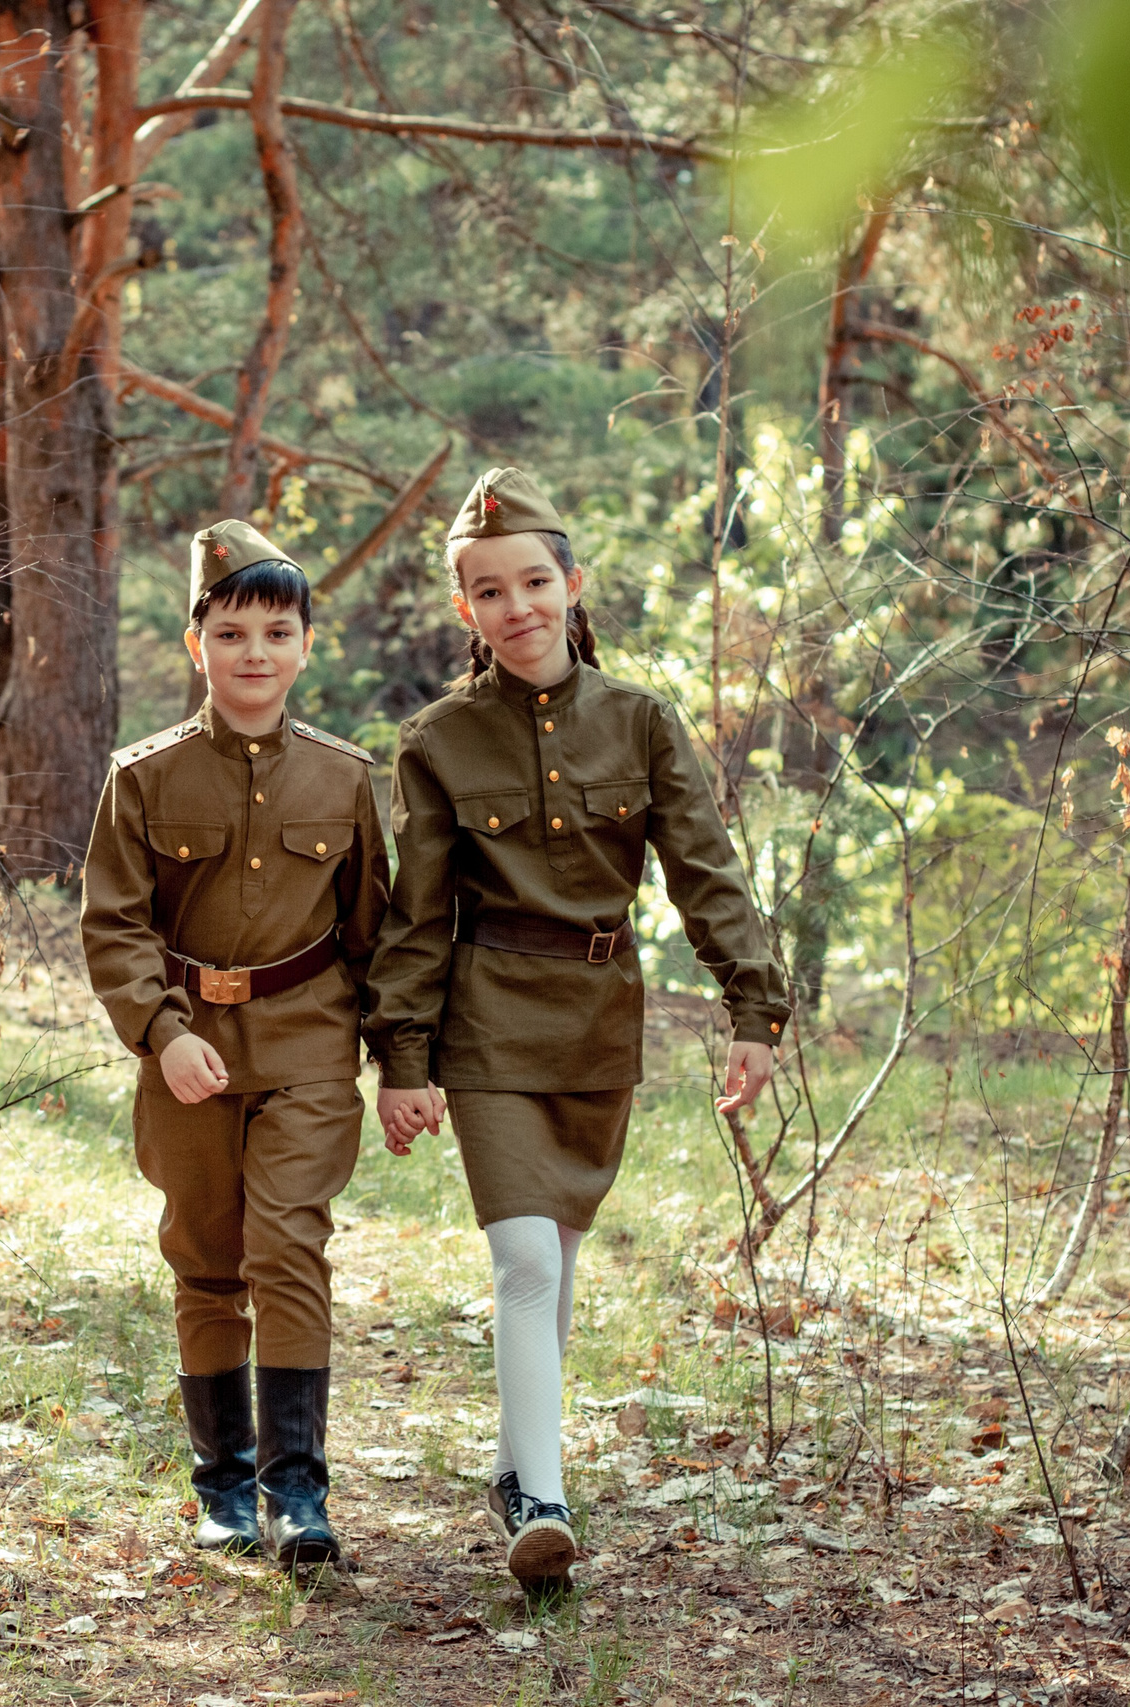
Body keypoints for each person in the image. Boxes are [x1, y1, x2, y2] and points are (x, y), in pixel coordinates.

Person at [364, 468, 791, 1590]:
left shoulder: (641, 723)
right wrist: (402, 1059)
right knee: (519, 1257)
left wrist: (755, 1007)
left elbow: (707, 876)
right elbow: (415, 917)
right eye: (490, 592)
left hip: (599, 1025)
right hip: (489, 1018)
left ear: (571, 584)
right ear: (466, 611)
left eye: (534, 583)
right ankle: (543, 1503)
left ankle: (515, 1469)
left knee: (550, 1258)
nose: (518, 609)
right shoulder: (436, 742)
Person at [80, 519, 388, 1571]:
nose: (254, 653)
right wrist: (161, 1034)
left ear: (308, 646)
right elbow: (113, 924)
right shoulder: (144, 777)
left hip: (308, 1040)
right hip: (189, 1050)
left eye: (277, 631)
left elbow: (373, 933)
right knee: (208, 1260)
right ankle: (223, 1491)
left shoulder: (346, 782)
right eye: (232, 631)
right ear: (194, 642)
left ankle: (299, 1494)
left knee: (288, 1245)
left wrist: (403, 1061)